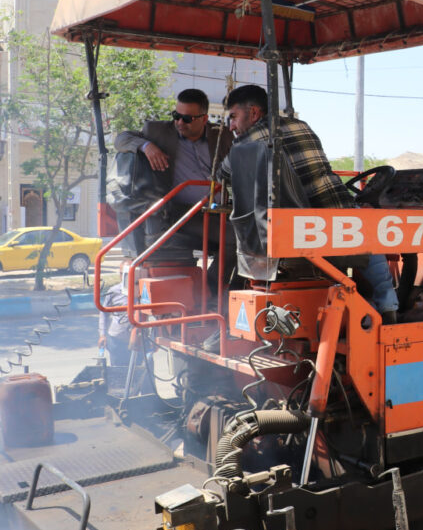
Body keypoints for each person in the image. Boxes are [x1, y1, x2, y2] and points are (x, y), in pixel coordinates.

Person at [218, 84, 398, 320]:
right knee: (371, 240)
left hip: (297, 231)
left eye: (233, 117)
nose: (231, 125)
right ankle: (388, 305)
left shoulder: (245, 143)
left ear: (253, 113)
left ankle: (223, 310)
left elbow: (223, 175)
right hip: (339, 216)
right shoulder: (302, 126)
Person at [114, 88, 235, 287]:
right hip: (179, 212)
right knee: (236, 240)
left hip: (215, 210)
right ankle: (212, 292)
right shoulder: (157, 131)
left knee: (252, 236)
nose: (179, 122)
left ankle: (218, 290)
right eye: (176, 116)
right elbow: (120, 139)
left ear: (204, 119)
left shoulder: (220, 136)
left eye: (187, 119)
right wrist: (146, 146)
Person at [98, 258, 134, 367]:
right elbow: (103, 313)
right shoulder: (114, 291)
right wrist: (102, 335)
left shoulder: (143, 290)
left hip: (139, 341)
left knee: (142, 374)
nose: (124, 277)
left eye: (128, 274)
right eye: (122, 274)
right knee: (118, 373)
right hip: (117, 340)